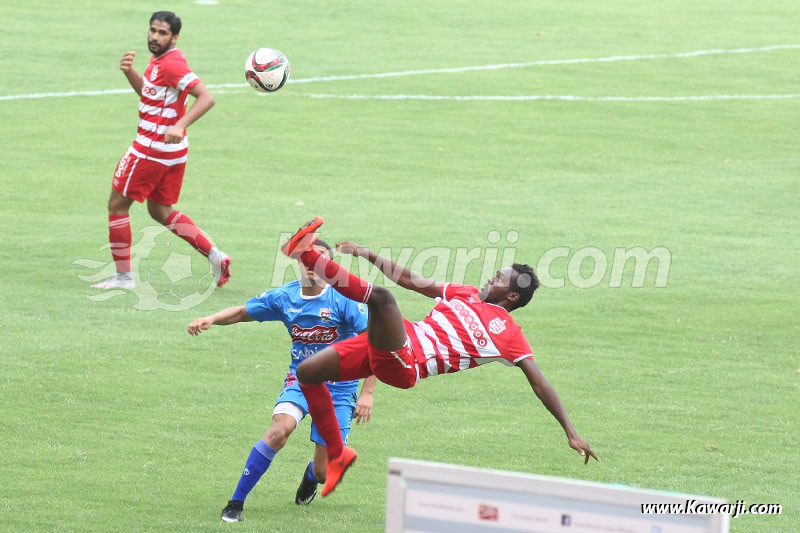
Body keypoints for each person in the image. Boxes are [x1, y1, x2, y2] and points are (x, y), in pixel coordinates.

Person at [280, 217, 598, 497]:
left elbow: (540, 383)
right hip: (392, 341)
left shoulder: (510, 334)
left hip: (407, 362)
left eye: (499, 278)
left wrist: (571, 432)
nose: (490, 278)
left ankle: (304, 253)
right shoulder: (467, 293)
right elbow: (412, 280)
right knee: (308, 373)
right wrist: (368, 253)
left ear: (512, 296)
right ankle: (327, 461)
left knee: (382, 299)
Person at [187, 239, 376, 523]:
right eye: (309, 260)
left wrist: (367, 393)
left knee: (325, 473)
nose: (314, 266)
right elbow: (242, 312)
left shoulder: (344, 300)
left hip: (340, 388)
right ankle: (235, 503)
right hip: (302, 381)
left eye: (322, 261)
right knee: (279, 430)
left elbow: (375, 344)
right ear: (299, 263)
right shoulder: (285, 297)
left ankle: (311, 475)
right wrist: (210, 318)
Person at [93, 11, 231, 290]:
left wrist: (180, 124)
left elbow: (206, 97)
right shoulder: (159, 61)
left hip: (150, 150)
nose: (155, 37)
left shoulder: (172, 64)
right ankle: (216, 256)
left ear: (175, 37)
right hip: (173, 152)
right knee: (160, 210)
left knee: (117, 206)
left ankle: (123, 277)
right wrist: (130, 72)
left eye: (162, 33)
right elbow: (150, 95)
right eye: (153, 31)